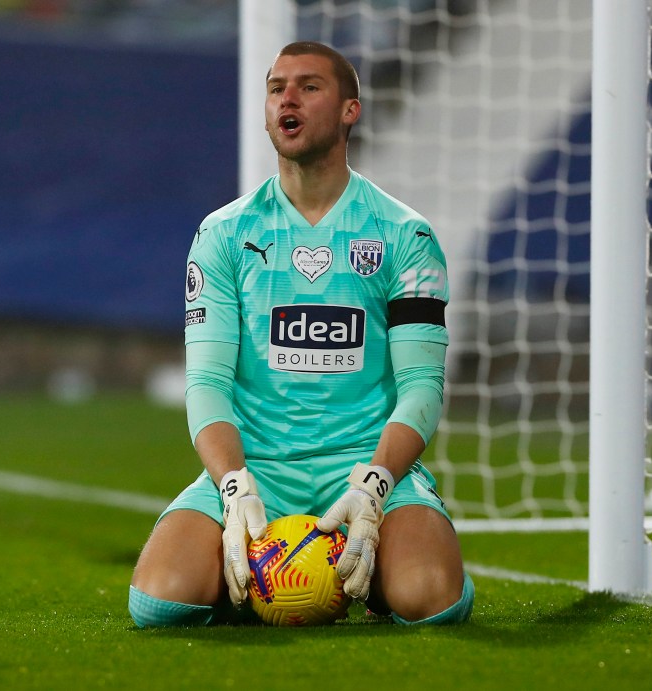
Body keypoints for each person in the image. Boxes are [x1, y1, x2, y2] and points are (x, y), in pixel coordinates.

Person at [129, 40, 474, 627]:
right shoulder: (222, 235)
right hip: (257, 470)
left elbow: (421, 386)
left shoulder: (405, 235)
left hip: (367, 467)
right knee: (161, 603)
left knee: (431, 601)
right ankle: (255, 577)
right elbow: (207, 383)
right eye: (275, 87)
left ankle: (387, 571)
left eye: (309, 86)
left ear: (349, 110)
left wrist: (376, 484)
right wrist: (234, 486)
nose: (287, 97)